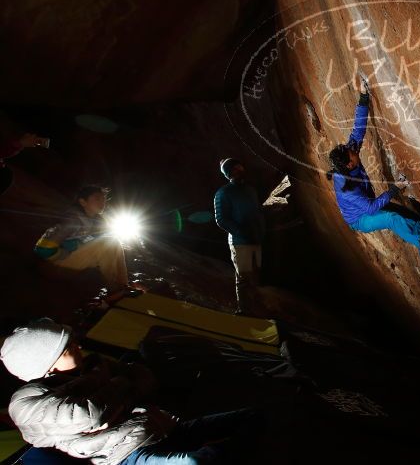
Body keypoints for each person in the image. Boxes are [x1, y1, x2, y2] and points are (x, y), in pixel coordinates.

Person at [0, 318, 264, 464]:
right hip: (126, 453)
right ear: (47, 365)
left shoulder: (92, 364)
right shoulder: (26, 402)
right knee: (200, 462)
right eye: (68, 347)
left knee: (254, 417)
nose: (78, 345)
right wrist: (124, 387)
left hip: (157, 426)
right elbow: (90, 414)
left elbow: (146, 377)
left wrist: (118, 389)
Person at [327, 79, 420, 271]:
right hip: (360, 218)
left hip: (367, 206)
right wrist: (395, 189)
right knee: (393, 219)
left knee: (412, 218)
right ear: (350, 164)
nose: (353, 149)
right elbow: (371, 207)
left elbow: (358, 130)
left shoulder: (349, 160)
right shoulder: (346, 188)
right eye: (351, 152)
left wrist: (364, 96)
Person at [34, 185, 139, 292]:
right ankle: (115, 290)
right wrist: (64, 252)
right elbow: (43, 249)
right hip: (54, 267)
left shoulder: (97, 222)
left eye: (104, 199)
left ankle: (123, 285)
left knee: (115, 242)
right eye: (97, 198)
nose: (102, 202)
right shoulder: (73, 220)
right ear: (83, 202)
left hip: (74, 264)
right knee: (108, 242)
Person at [214, 159, 266, 315]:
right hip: (240, 242)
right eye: (236, 168)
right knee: (243, 279)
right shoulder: (223, 193)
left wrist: (260, 230)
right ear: (229, 173)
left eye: (240, 166)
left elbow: (257, 212)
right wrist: (241, 232)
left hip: (255, 240)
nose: (240, 168)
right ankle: (244, 311)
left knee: (255, 277)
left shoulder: (251, 190)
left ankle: (255, 309)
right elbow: (221, 219)